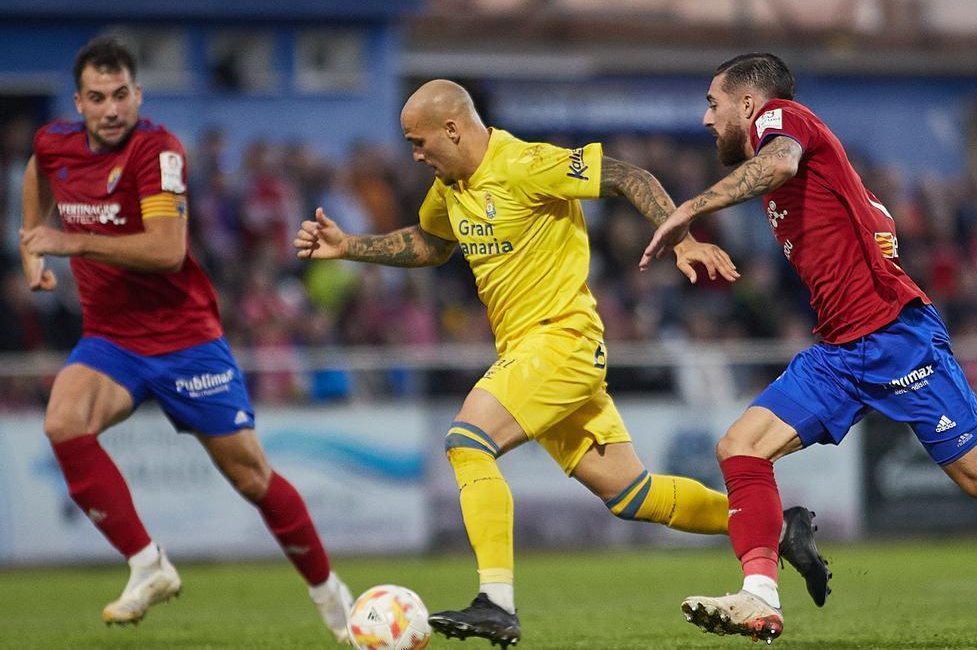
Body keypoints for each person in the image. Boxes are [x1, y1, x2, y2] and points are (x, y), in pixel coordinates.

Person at [641, 53, 977, 644]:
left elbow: (780, 160)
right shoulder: (816, 160)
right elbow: (875, 218)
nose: (705, 119)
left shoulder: (780, 119)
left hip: (896, 339)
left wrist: (691, 208)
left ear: (747, 103)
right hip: (840, 352)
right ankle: (760, 598)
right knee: (739, 446)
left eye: (712, 104)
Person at [294, 79, 830, 648]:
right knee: (633, 495)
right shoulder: (448, 189)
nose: (415, 155)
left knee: (466, 442)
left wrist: (681, 240)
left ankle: (495, 603)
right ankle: (776, 527)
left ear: (453, 128)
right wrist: (349, 245)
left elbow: (630, 176)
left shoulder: (526, 164)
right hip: (533, 355)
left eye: (419, 142)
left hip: (559, 343)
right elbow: (433, 243)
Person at [18, 37, 353, 642]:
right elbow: (38, 169)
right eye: (98, 98)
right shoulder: (55, 142)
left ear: (137, 94)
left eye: (122, 95)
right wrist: (28, 241)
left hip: (185, 340)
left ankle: (331, 595)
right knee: (63, 423)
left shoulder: (159, 149)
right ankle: (148, 564)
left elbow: (167, 251)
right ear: (79, 103)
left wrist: (70, 243)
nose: (112, 109)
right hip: (112, 340)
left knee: (252, 478)